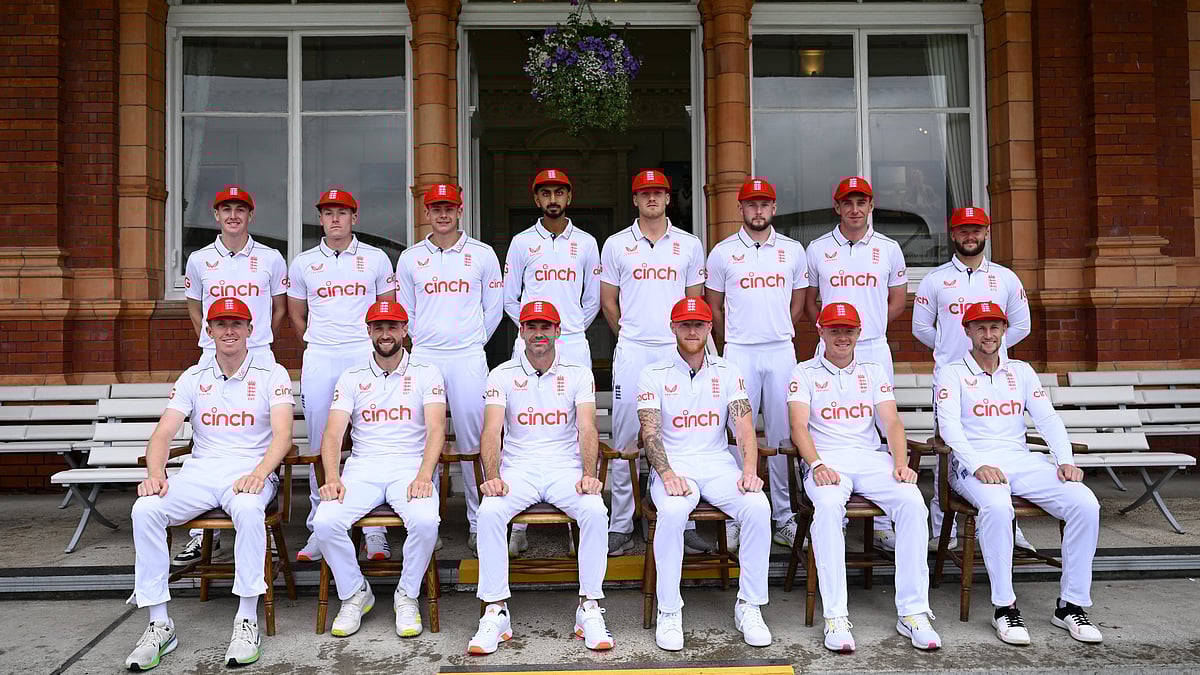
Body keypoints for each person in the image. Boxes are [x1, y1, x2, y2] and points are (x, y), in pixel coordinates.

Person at [125, 297, 295, 670]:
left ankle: (246, 617)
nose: (229, 331)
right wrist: (156, 475)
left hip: (250, 471)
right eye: (221, 324)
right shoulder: (193, 377)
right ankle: (158, 622)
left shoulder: (272, 374)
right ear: (209, 331)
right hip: (200, 473)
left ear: (251, 330)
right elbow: (163, 434)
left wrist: (261, 472)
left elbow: (283, 434)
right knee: (145, 508)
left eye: (237, 324)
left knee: (250, 509)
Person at [935, 301, 1103, 646]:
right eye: (980, 327)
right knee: (997, 507)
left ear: (1004, 331)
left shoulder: (1021, 371)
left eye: (994, 327)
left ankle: (1071, 605)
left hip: (1020, 459)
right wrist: (977, 463)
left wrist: (1064, 460)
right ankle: (1004, 606)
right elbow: (949, 428)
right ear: (967, 332)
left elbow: (1048, 419)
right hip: (972, 463)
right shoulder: (952, 373)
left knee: (1085, 504)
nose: (988, 334)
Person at [787, 301, 941, 654]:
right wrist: (815, 464)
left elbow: (892, 424)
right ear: (821, 332)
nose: (842, 337)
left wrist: (901, 464)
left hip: (871, 459)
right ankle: (836, 617)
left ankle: (914, 612)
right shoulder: (804, 372)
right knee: (826, 508)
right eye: (835, 330)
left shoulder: (873, 372)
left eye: (849, 330)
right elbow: (798, 427)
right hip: (827, 462)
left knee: (911, 501)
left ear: (858, 334)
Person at [468, 300, 613, 655]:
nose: (539, 334)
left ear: (558, 332)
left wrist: (588, 474)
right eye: (531, 327)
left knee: (594, 510)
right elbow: (491, 431)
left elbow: (587, 427)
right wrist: (493, 476)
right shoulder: (501, 374)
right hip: (519, 468)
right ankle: (495, 610)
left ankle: (589, 607)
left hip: (565, 466)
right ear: (521, 332)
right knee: (488, 512)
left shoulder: (578, 373)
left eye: (545, 327)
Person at [637, 297, 773, 652]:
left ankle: (750, 605)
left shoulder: (728, 371)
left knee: (758, 507)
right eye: (685, 324)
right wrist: (666, 474)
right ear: (673, 328)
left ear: (710, 327)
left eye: (699, 324)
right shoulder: (653, 373)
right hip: (675, 463)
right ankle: (669, 610)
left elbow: (744, 428)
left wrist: (748, 471)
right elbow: (650, 434)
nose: (692, 330)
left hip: (716, 463)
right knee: (672, 512)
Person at [311, 300, 446, 639]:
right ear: (369, 331)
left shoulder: (426, 372)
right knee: (325, 522)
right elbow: (332, 432)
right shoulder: (353, 376)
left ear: (405, 330)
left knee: (427, 521)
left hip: (409, 466)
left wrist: (424, 475)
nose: (386, 333)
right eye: (379, 327)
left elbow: (436, 429)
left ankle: (407, 595)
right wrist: (332, 478)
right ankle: (356, 592)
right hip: (364, 467)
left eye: (392, 326)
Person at [174, 186, 289, 567]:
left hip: (257, 352)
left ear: (251, 216)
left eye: (241, 209)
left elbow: (278, 309)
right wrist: (210, 341)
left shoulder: (271, 258)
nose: (234, 215)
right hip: (214, 354)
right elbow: (194, 307)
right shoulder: (200, 259)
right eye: (227, 209)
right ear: (216, 214)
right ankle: (199, 532)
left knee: (262, 436)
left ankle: (262, 527)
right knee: (210, 434)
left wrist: (253, 341)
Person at [913, 206, 1033, 552]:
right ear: (953, 234)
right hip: (951, 380)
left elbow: (1021, 325)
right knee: (947, 451)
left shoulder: (1006, 278)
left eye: (976, 230)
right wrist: (953, 352)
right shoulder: (935, 279)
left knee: (1009, 446)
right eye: (963, 230)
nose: (970, 236)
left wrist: (990, 347)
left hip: (996, 378)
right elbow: (922, 328)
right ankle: (943, 527)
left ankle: (1009, 525)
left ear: (987, 232)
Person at [601, 169, 708, 557]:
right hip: (633, 349)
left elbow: (695, 303)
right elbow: (608, 302)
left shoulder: (689, 244)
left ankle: (685, 520)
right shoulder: (615, 245)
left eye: (658, 193)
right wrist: (629, 334)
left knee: (681, 433)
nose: (652, 199)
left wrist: (684, 342)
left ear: (668, 198)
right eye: (644, 193)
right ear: (635, 199)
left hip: (675, 348)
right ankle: (621, 523)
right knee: (627, 435)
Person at [288, 188, 397, 563]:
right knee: (322, 441)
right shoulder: (303, 262)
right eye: (328, 212)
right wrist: (319, 340)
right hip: (321, 354)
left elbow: (388, 309)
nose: (335, 219)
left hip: (363, 352)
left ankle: (374, 531)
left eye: (342, 212)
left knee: (373, 435)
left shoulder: (376, 258)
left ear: (355, 217)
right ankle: (321, 524)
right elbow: (296, 315)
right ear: (320, 219)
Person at [395, 184, 503, 553]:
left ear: (460, 211)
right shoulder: (410, 258)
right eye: (436, 208)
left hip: (468, 356)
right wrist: (427, 343)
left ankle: (479, 520)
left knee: (476, 440)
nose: (443, 214)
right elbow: (405, 313)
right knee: (423, 439)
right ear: (426, 213)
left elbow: (494, 309)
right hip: (424, 356)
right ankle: (426, 523)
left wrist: (469, 341)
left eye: (449, 207)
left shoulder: (482, 254)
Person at [804, 176, 908, 552]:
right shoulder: (817, 249)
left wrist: (870, 327)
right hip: (831, 344)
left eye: (861, 202)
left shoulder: (889, 248)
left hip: (873, 345)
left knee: (879, 428)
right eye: (847, 203)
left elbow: (897, 300)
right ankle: (834, 510)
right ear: (837, 207)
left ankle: (880, 522)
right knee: (829, 421)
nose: (854, 209)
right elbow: (812, 300)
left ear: (871, 205)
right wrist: (830, 334)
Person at [502, 169, 601, 557]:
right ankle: (520, 524)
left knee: (577, 427)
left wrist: (566, 330)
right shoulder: (522, 242)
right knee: (522, 424)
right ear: (537, 199)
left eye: (559, 191)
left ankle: (577, 518)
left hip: (572, 341)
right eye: (545, 192)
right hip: (529, 341)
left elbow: (591, 299)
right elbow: (511, 299)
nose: (553, 198)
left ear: (569, 197)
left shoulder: (588, 243)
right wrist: (534, 334)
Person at [705, 177, 808, 551]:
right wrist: (729, 342)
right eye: (751, 204)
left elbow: (797, 304)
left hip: (781, 349)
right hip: (739, 351)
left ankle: (783, 515)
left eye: (764, 204)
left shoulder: (794, 251)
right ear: (741, 209)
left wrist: (779, 331)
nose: (758, 210)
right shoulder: (722, 252)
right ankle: (736, 514)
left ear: (774, 208)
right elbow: (713, 307)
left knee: (783, 435)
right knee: (735, 434)